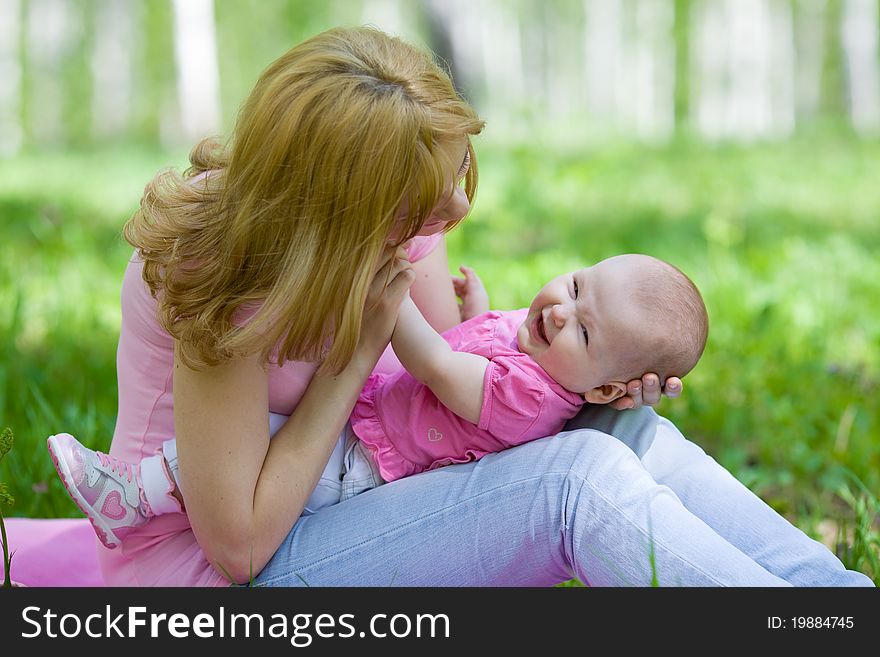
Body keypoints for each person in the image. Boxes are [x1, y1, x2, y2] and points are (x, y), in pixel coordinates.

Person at [48, 26, 872, 586]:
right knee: (574, 485)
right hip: (218, 570)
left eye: (455, 172)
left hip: (362, 489)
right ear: (343, 201)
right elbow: (239, 546)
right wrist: (360, 353)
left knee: (619, 432)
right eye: (423, 202)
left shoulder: (394, 211)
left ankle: (833, 599)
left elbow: (455, 410)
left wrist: (580, 384)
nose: (453, 211)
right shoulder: (220, 266)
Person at [50, 253, 712, 541]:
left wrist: (385, 296)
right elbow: (472, 345)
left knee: (250, 462)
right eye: (574, 285)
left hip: (362, 465)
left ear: (599, 387)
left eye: (586, 329)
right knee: (251, 439)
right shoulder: (542, 346)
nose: (561, 311)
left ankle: (131, 499)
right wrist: (480, 309)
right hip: (363, 426)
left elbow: (437, 362)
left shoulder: (533, 399)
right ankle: (147, 492)